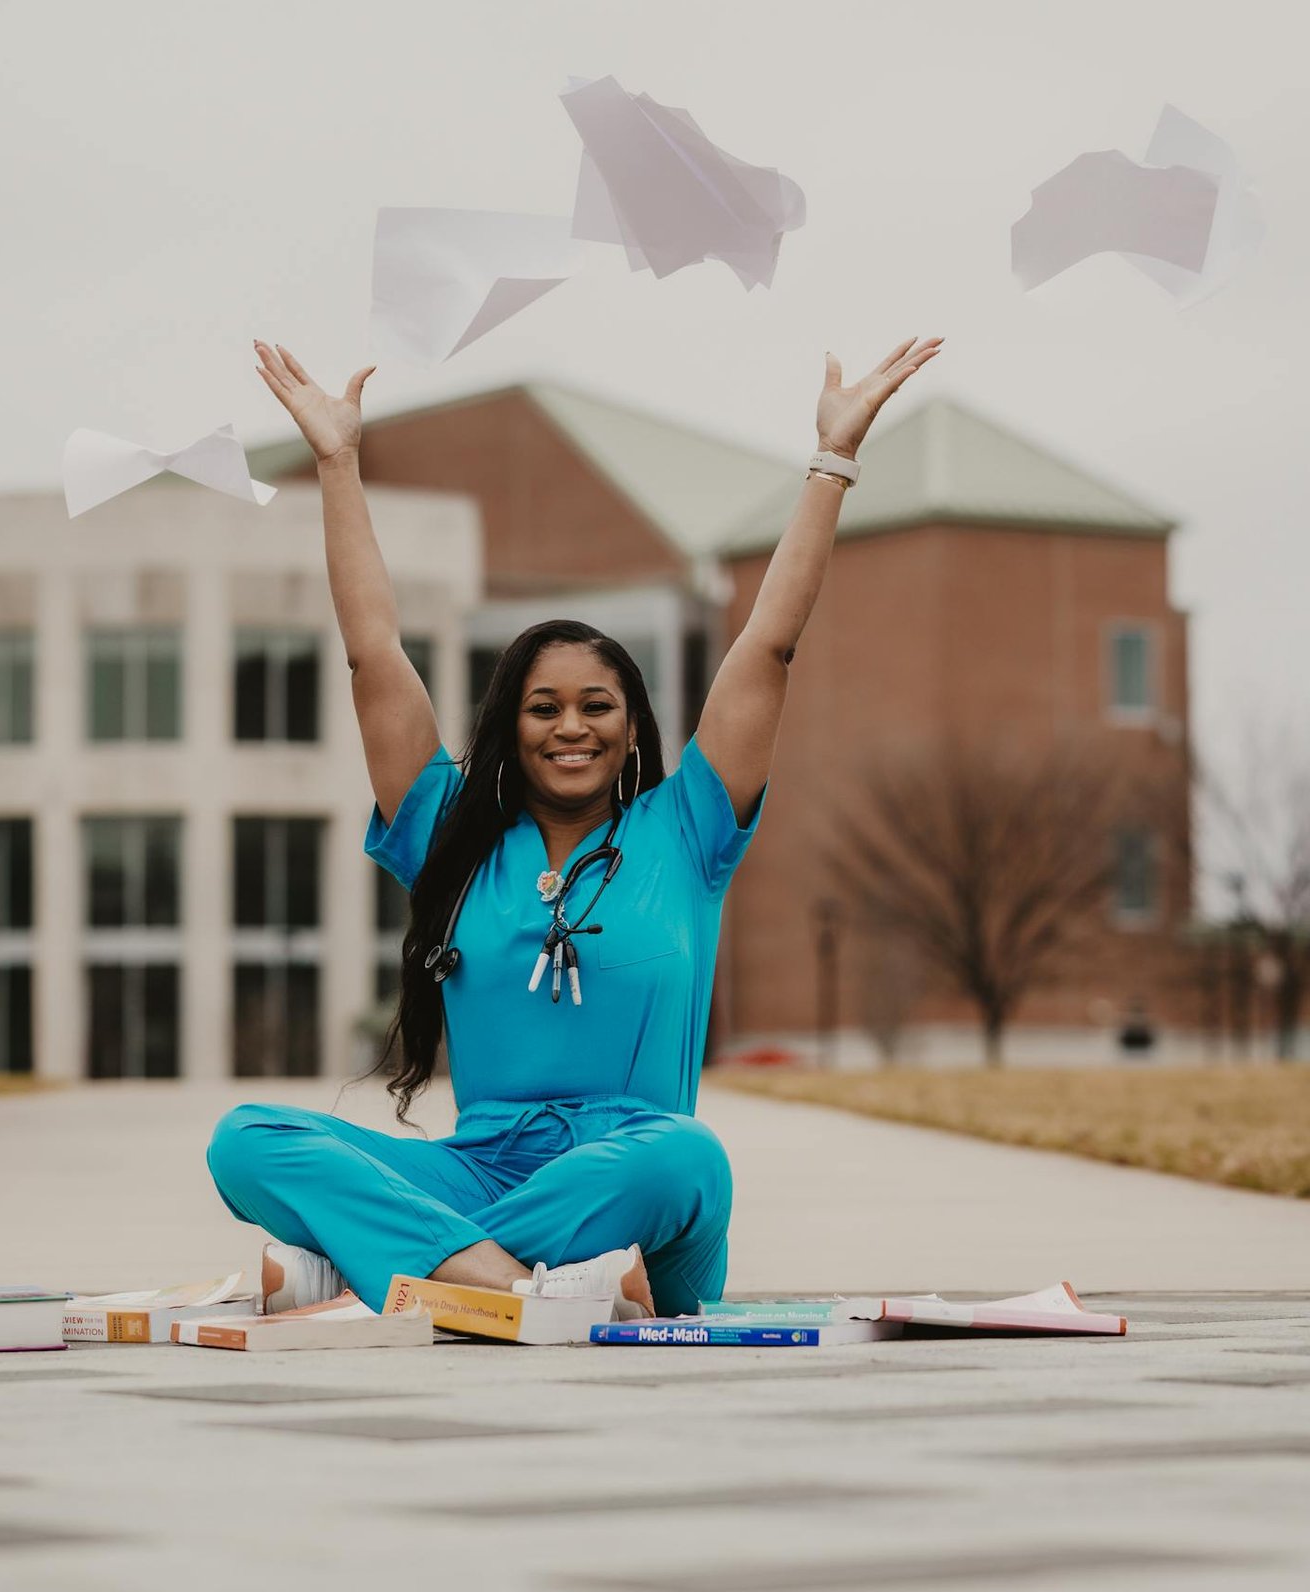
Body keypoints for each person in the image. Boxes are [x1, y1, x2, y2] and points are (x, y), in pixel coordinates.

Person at [207, 333, 941, 1318]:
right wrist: (338, 463)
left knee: (686, 1155)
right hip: (474, 1176)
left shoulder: (685, 827)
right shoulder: (445, 836)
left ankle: (395, 1271)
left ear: (633, 720)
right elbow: (372, 652)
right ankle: (518, 1292)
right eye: (543, 704)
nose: (570, 726)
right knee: (247, 1138)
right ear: (509, 721)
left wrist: (830, 462)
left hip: (622, 1187)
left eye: (596, 704)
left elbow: (768, 643)